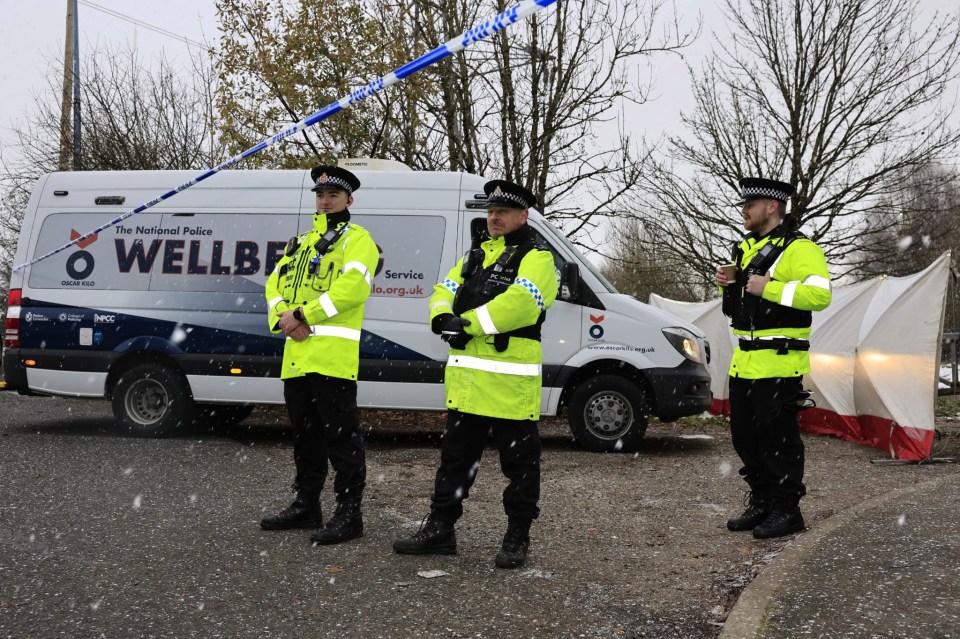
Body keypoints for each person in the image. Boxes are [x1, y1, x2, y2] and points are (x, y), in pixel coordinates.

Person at [392, 179, 559, 568]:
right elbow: (441, 289)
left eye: (503, 211)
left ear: (523, 216)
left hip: (510, 385)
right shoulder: (474, 256)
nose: (495, 217)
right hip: (467, 385)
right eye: (491, 211)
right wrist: (440, 317)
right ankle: (440, 530)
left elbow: (521, 304)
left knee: (519, 466)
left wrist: (463, 324)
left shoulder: (538, 257)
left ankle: (517, 535)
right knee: (454, 461)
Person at [260, 165, 379, 546]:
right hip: (296, 357)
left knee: (342, 439)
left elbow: (352, 289)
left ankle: (349, 513)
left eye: (333, 196)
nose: (325, 201)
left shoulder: (357, 239)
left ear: (349, 200)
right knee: (304, 437)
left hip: (332, 359)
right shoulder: (302, 241)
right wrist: (285, 318)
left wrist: (303, 314)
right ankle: (307, 502)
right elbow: (273, 284)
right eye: (320, 195)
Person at [716, 177, 831, 539]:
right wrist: (729, 285)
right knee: (745, 439)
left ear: (772, 206)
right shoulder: (747, 249)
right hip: (745, 363)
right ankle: (763, 502)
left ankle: (787, 510)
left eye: (750, 204)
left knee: (779, 441)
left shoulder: (800, 249)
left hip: (780, 363)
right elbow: (746, 306)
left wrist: (771, 287)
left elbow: (821, 294)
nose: (743, 210)